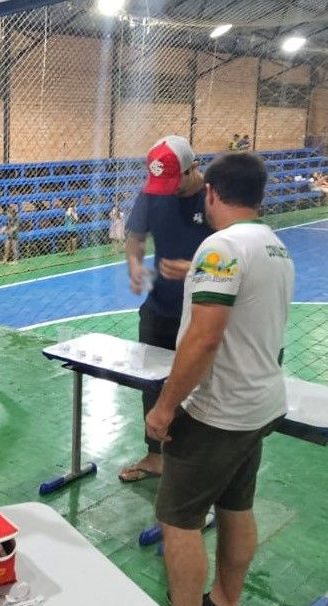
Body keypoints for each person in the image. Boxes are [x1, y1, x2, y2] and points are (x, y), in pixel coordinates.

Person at [144, 152, 293, 606]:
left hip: (215, 410)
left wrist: (165, 407)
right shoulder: (273, 247)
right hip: (259, 404)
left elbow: (204, 339)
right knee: (236, 506)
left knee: (179, 523)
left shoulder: (222, 247)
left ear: (211, 192)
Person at [120, 136, 211, 483]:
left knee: (200, 388)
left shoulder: (214, 199)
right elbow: (136, 236)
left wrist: (194, 269)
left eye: (174, 181)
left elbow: (236, 256)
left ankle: (193, 466)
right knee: (152, 385)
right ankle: (155, 455)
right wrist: (134, 264)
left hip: (204, 311)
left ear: (193, 168)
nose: (166, 191)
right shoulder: (153, 193)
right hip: (160, 307)